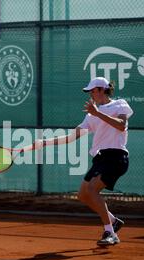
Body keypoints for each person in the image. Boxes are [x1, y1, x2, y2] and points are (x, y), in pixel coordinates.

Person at [33, 77, 133, 246]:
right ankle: (113, 221)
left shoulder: (120, 105)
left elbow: (122, 125)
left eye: (93, 91)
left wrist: (98, 113)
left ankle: (110, 232)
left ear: (102, 90)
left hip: (116, 156)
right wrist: (45, 142)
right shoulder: (90, 116)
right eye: (90, 92)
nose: (91, 95)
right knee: (83, 195)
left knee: (93, 189)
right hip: (100, 158)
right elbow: (72, 137)